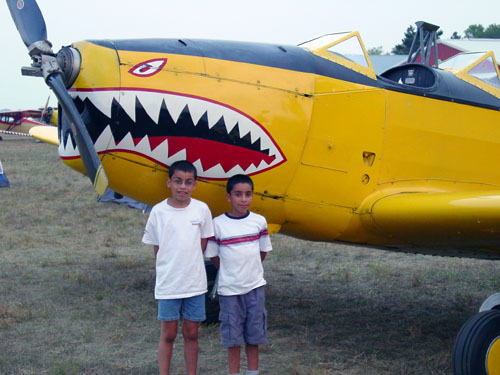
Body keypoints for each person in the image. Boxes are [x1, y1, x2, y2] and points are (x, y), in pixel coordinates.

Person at [142, 160, 214, 375]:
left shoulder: (202, 210)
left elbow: (202, 243)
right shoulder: (158, 212)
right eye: (178, 181)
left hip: (194, 283)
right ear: (169, 182)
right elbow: (158, 247)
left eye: (188, 182)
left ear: (194, 185)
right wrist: (168, 268)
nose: (183, 187)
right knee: (169, 334)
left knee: (191, 333)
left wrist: (190, 263)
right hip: (168, 284)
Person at [206, 174, 272, 375]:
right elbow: (213, 256)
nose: (243, 199)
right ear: (228, 197)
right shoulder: (218, 224)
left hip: (254, 288)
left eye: (248, 194)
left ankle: (253, 371)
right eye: (238, 194)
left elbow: (262, 251)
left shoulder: (259, 222)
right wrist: (228, 272)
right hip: (229, 291)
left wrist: (250, 272)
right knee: (232, 338)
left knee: (254, 336)